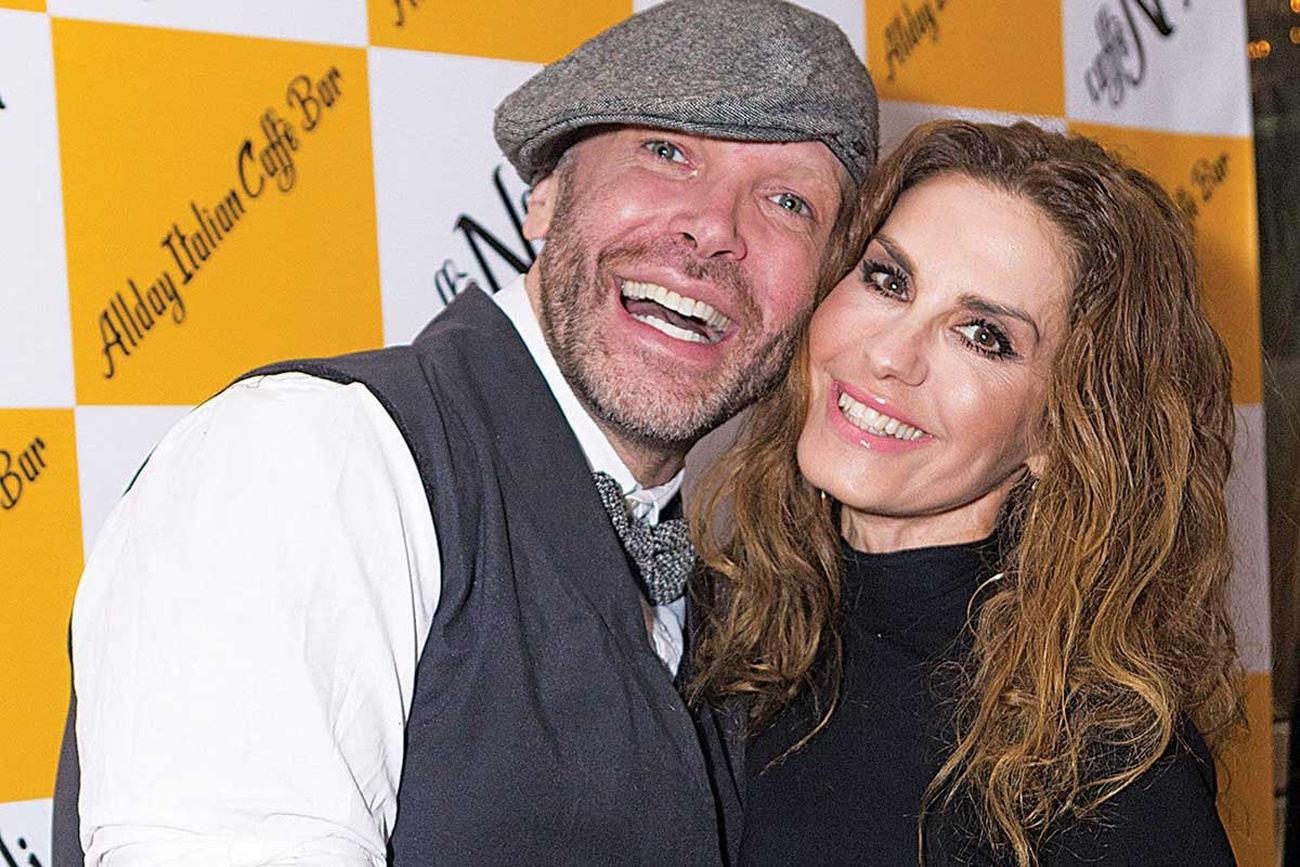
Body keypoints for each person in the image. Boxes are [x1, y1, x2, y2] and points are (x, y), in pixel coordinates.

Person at [52, 2, 879, 865]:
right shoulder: (312, 457)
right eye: (667, 152)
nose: (715, 228)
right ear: (545, 196)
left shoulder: (724, 589)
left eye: (788, 201)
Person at [688, 120, 1243, 866]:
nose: (890, 355)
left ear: (1064, 430)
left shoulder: (1104, 769)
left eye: (982, 335)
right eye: (888, 280)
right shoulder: (709, 621)